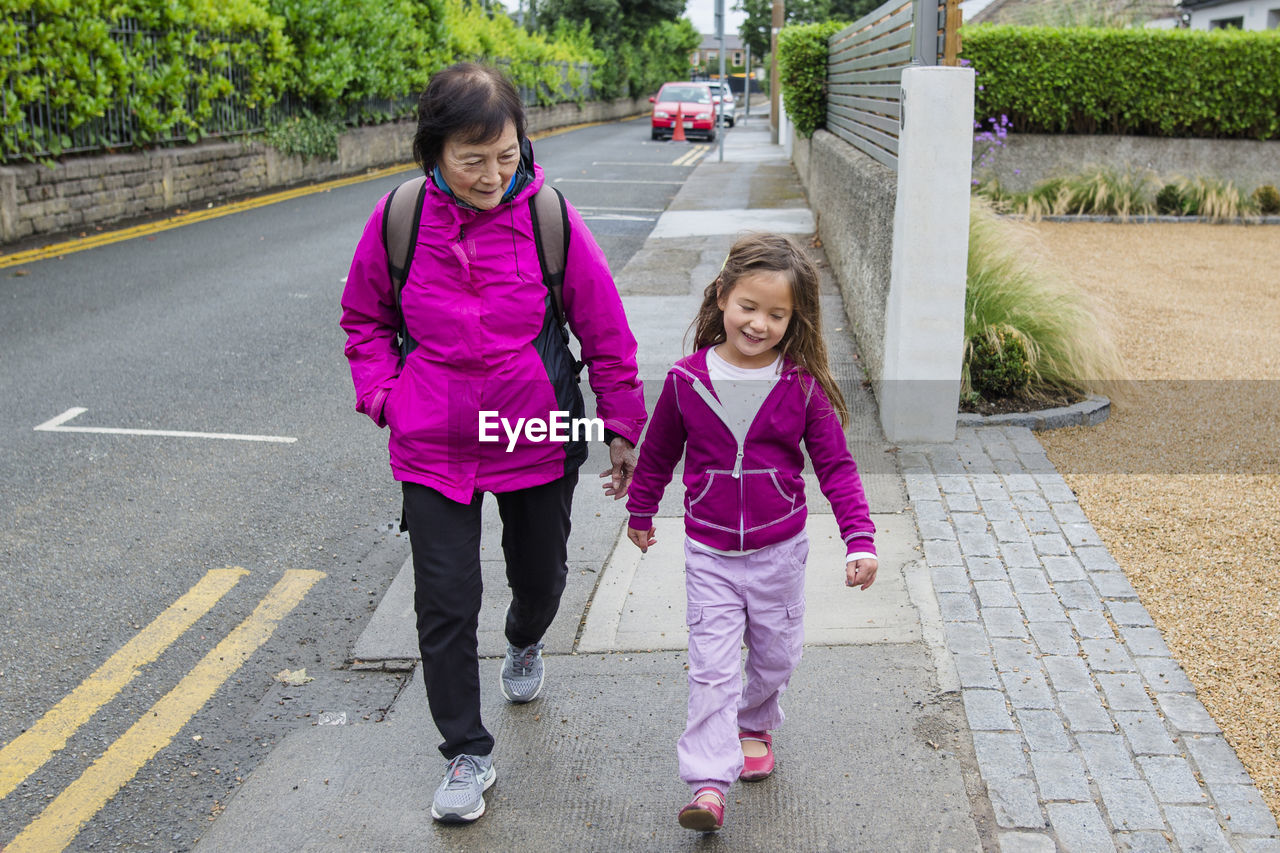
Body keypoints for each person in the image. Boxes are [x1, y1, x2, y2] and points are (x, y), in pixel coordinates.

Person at [340, 63, 646, 824]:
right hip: (434, 437)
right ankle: (465, 752)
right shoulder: (400, 217)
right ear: (434, 151)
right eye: (471, 159)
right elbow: (364, 320)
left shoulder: (549, 217)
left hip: (532, 429)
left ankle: (525, 639)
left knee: (539, 577)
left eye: (505, 155)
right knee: (444, 601)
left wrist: (621, 425)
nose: (491, 174)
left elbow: (605, 331)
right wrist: (384, 395)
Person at [624, 233, 878, 832]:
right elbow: (657, 455)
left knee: (774, 656)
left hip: (779, 553)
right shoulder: (686, 381)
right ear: (721, 297)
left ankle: (756, 722)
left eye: (776, 314)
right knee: (711, 666)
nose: (758, 323)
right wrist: (640, 511)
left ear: (794, 320)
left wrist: (859, 538)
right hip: (709, 551)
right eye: (748, 307)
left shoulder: (802, 386)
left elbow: (836, 467)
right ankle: (709, 783)